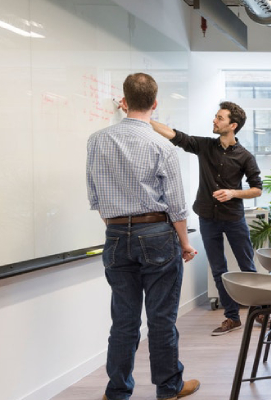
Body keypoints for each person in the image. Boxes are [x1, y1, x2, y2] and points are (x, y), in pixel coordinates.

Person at [86, 72, 200, 400]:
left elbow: (96, 196)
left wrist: (119, 227)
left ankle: (117, 391)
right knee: (161, 319)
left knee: (124, 320)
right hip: (157, 235)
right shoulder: (160, 145)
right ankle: (169, 388)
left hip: (116, 234)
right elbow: (176, 204)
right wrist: (185, 242)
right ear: (154, 104)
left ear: (123, 102)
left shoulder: (96, 140)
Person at [151, 102, 263, 336]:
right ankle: (232, 318)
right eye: (215, 116)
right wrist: (145, 119)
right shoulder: (204, 146)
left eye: (219, 118)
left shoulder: (245, 157)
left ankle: (260, 311)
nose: (214, 120)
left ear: (232, 125)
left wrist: (233, 193)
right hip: (207, 218)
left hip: (233, 218)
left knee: (247, 268)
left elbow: (257, 189)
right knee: (218, 269)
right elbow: (175, 135)